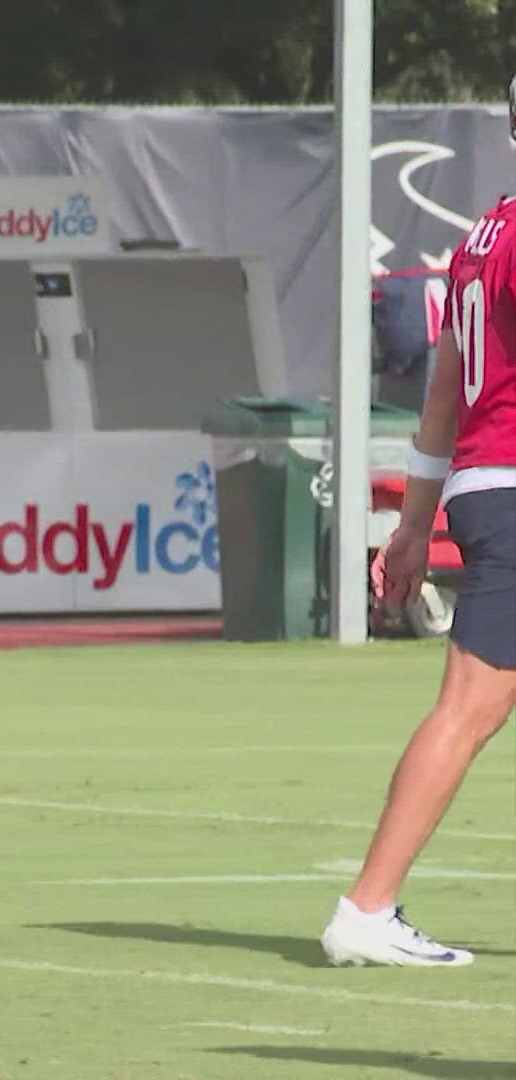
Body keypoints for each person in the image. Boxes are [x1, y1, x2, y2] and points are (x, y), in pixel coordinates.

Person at [319, 74, 516, 968]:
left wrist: (413, 525)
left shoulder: (486, 232)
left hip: (484, 483)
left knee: (470, 707)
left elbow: (444, 389)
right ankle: (366, 908)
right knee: (469, 708)